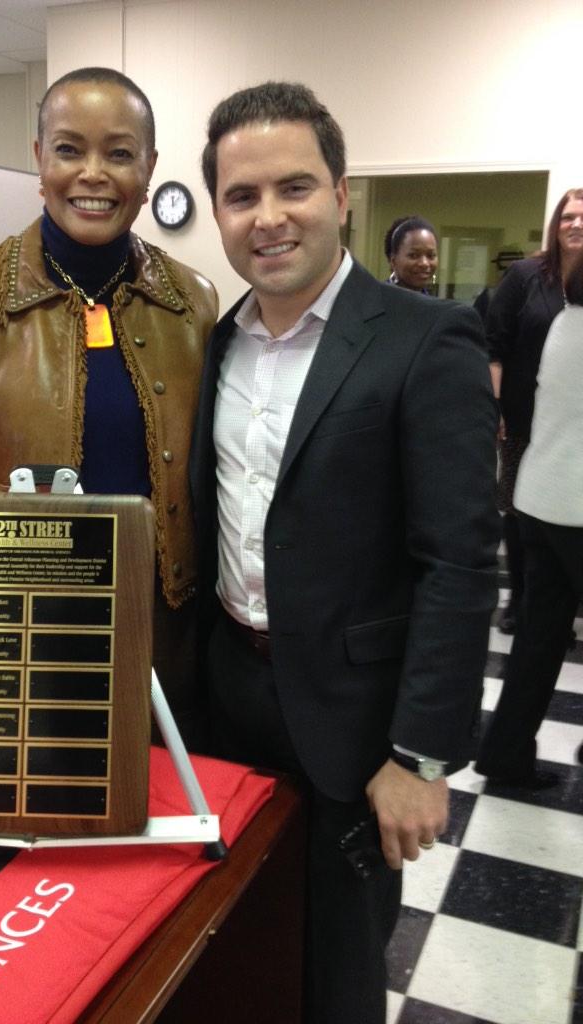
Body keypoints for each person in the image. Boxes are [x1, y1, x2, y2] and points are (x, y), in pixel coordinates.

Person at [191, 81, 499, 1024]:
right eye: (241, 196)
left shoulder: (425, 338)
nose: (269, 217)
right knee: (235, 951)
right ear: (218, 211)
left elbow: (460, 563)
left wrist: (421, 756)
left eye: (294, 188)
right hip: (227, 699)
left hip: (357, 729)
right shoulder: (218, 343)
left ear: (340, 194)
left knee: (337, 971)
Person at [0, 67, 218, 740]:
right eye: (70, 149)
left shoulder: (192, 301)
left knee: (160, 794)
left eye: (120, 153)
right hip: (24, 635)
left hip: (165, 637)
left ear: (149, 167)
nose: (93, 174)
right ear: (40, 158)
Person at [476, 248, 583, 787]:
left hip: (541, 499)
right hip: (577, 508)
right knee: (539, 637)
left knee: (538, 640)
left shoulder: (565, 322)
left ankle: (505, 755)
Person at [486, 188, 583, 633]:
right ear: (555, 224)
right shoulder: (526, 275)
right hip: (522, 419)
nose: (576, 225)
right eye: (568, 217)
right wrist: (495, 408)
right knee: (519, 511)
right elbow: (494, 346)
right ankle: (522, 598)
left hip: (572, 425)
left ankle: (558, 603)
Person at [383, 214, 439, 293]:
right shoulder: (374, 297)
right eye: (414, 255)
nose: (424, 263)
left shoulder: (432, 300)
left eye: (430, 256)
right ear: (393, 261)